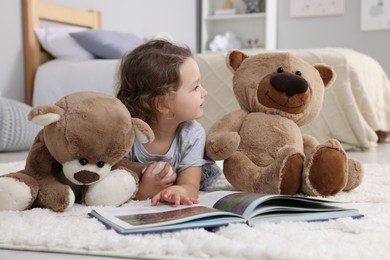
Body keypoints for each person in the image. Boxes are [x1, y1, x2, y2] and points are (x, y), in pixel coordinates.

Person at [117, 39, 221, 206]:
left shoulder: (192, 134)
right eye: (195, 87)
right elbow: (113, 176)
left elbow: (191, 186)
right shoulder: (126, 134)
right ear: (163, 104)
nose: (204, 92)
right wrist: (143, 192)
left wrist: (180, 191)